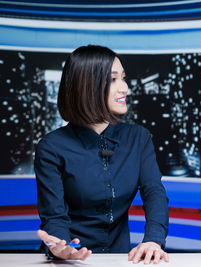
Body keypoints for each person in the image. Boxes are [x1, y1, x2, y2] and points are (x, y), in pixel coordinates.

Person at [35, 45, 169, 264]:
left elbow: (154, 192)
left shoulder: (138, 138)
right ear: (86, 86)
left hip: (120, 259)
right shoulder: (51, 147)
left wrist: (154, 240)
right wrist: (61, 246)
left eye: (124, 78)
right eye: (113, 79)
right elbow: (54, 215)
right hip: (68, 261)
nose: (124, 88)